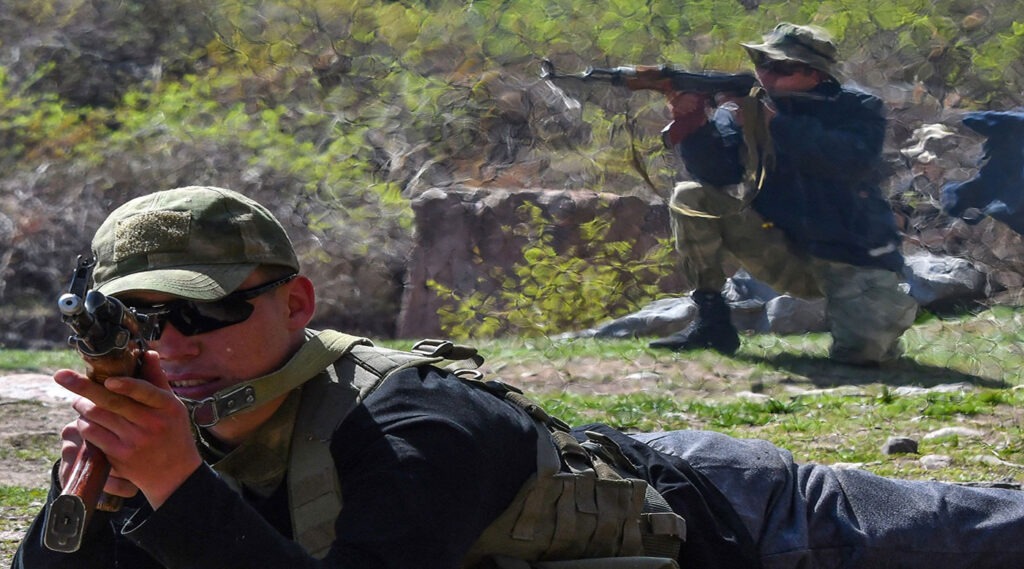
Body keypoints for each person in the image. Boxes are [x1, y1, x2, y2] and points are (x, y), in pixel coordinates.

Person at [13, 186, 1024, 569]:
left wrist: (182, 487)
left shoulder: (413, 420)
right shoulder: (170, 428)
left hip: (753, 519)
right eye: (142, 321)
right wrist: (93, 495)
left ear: (298, 302)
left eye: (207, 310)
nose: (175, 345)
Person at [649, 23, 918, 366]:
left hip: (851, 255)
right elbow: (718, 174)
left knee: (865, 357)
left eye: (781, 67)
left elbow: (849, 161)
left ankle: (872, 328)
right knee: (691, 197)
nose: (767, 74)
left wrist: (774, 123)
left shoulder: (858, 107)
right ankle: (712, 321)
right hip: (778, 248)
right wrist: (696, 127)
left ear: (815, 73)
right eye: (762, 63)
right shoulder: (746, 111)